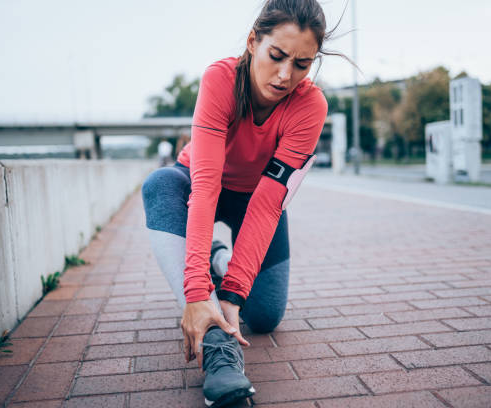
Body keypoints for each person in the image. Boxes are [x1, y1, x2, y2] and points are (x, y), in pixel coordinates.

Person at [141, 0, 349, 405]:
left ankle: (221, 259)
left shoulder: (310, 106)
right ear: (254, 41)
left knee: (265, 316)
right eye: (277, 56)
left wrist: (233, 293)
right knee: (159, 183)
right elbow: (204, 186)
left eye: (303, 64)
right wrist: (199, 292)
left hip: (256, 198)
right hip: (201, 183)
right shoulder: (220, 78)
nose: (286, 75)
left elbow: (270, 204)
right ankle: (218, 346)